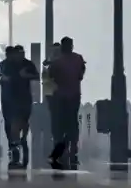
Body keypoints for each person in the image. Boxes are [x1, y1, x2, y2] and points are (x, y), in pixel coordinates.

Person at [48, 36, 85, 168]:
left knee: (60, 124)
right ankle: (73, 149)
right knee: (73, 123)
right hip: (74, 95)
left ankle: (62, 150)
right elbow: (81, 75)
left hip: (60, 96)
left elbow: (51, 77)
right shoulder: (78, 59)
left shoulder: (56, 62)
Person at [5, 45, 39, 169]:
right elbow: (4, 78)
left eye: (22, 53)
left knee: (24, 121)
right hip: (13, 98)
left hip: (25, 97)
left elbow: (36, 76)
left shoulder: (28, 64)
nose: (20, 55)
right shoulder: (10, 65)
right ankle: (15, 145)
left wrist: (26, 76)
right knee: (14, 122)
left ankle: (23, 139)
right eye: (18, 53)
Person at [42, 42, 62, 158]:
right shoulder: (47, 64)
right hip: (51, 95)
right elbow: (45, 79)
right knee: (53, 120)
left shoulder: (62, 63)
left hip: (61, 94)